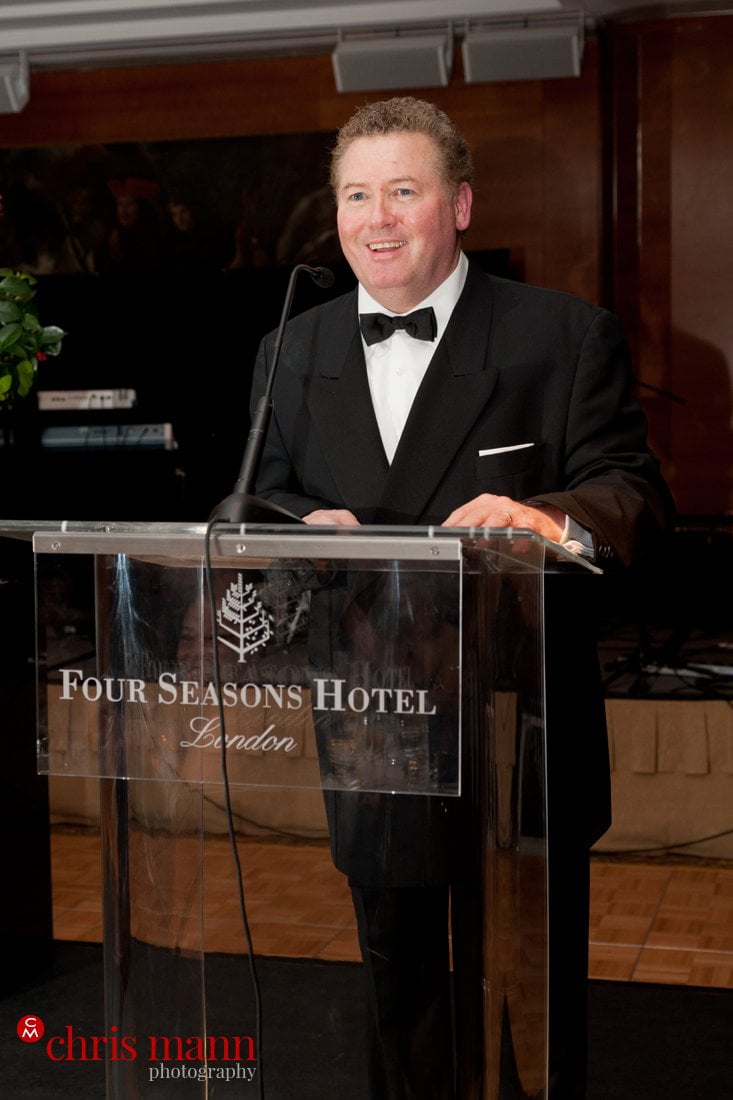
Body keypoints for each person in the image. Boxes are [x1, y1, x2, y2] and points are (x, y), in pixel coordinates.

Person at [249, 97, 674, 1098]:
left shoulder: (563, 336)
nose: (377, 216)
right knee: (397, 991)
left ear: (461, 204)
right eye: (357, 193)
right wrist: (298, 537)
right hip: (374, 717)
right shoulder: (290, 349)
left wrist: (544, 519)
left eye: (404, 190)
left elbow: (633, 495)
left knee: (525, 996)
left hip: (517, 723)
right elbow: (260, 498)